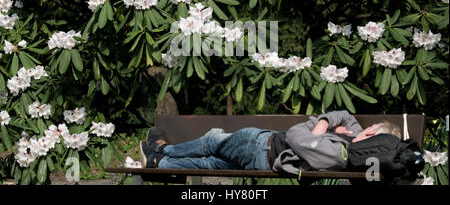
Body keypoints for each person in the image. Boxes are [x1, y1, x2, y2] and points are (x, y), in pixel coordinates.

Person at [139, 110, 401, 174]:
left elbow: (298, 136)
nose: (362, 130)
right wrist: (323, 123)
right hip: (264, 155)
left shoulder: (341, 150)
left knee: (212, 139)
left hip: (261, 147)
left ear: (371, 135)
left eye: (369, 130)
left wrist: (316, 126)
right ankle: (160, 163)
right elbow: (342, 114)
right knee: (212, 161)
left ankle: (163, 149)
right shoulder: (351, 140)